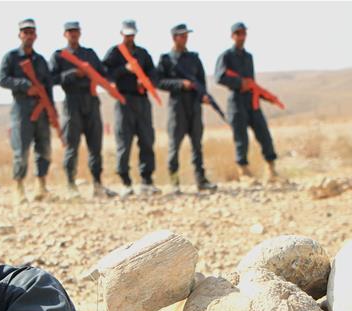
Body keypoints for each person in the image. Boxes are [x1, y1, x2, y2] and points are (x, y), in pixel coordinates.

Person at [49, 21, 116, 199]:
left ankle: (98, 184)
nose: (73, 34)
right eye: (70, 31)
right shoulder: (59, 56)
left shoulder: (89, 54)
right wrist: (72, 74)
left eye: (76, 31)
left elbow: (103, 73)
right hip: (72, 102)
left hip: (91, 100)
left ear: (80, 33)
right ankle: (71, 185)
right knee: (72, 146)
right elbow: (51, 78)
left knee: (95, 145)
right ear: (65, 34)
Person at [215, 22, 279, 184]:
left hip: (252, 100)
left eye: (243, 33)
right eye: (238, 33)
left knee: (263, 133)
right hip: (236, 100)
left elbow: (252, 81)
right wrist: (239, 83)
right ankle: (243, 171)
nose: (241, 37)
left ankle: (271, 168)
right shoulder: (226, 56)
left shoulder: (248, 57)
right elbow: (219, 77)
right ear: (232, 36)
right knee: (240, 137)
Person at [156, 23, 217, 194]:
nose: (185, 38)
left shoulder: (194, 58)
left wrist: (203, 96)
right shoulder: (166, 59)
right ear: (174, 37)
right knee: (174, 145)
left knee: (197, 143)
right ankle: (174, 182)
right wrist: (180, 84)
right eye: (182, 35)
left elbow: (201, 82)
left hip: (194, 105)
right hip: (177, 105)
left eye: (186, 35)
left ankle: (201, 180)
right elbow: (159, 82)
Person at [0, 18, 55, 201]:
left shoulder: (40, 60)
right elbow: (2, 79)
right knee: (21, 150)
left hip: (42, 110)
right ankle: (19, 187)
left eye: (31, 32)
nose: (28, 35)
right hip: (22, 109)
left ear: (35, 35)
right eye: (25, 32)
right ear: (20, 35)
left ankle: (41, 185)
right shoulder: (11, 57)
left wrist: (52, 111)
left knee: (44, 148)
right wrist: (24, 85)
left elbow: (48, 88)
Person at [103, 19, 160, 197]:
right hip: (124, 100)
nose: (129, 38)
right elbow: (105, 72)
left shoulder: (143, 53)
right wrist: (124, 69)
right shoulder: (114, 53)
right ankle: (125, 181)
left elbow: (154, 73)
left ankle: (147, 180)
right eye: (126, 35)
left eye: (132, 35)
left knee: (147, 139)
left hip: (142, 101)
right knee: (124, 142)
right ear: (121, 34)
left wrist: (147, 82)